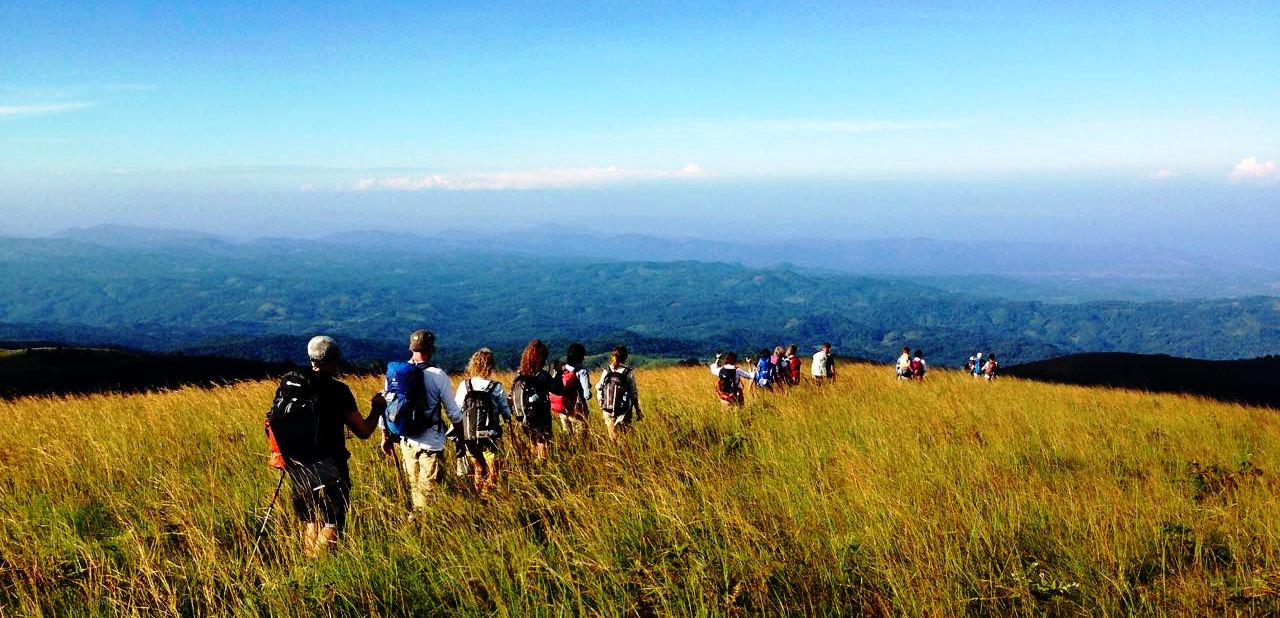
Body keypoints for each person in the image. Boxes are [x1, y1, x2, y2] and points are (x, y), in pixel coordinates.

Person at [277, 336, 385, 555]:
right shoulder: (338, 390)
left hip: (298, 464)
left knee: (311, 519)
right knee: (333, 520)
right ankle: (320, 564)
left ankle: (309, 565)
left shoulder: (290, 386)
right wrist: (377, 409)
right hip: (329, 463)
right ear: (335, 359)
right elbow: (363, 431)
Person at [379, 329, 464, 508]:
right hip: (431, 443)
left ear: (411, 348)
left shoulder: (396, 373)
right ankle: (418, 522)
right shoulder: (438, 375)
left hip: (406, 441)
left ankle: (414, 520)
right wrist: (461, 440)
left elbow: (385, 406)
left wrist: (385, 436)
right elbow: (453, 412)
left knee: (415, 489)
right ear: (431, 349)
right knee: (427, 497)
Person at [454, 347, 511, 494]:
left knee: (478, 470)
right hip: (489, 436)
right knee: (493, 472)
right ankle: (487, 496)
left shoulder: (464, 385)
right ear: (490, 366)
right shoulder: (496, 387)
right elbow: (506, 412)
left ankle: (479, 496)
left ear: (473, 365)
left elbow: (457, 409)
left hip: (469, 435)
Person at [510, 339, 559, 460]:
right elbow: (557, 390)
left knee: (533, 442)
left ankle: (534, 466)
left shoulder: (519, 374)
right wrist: (558, 372)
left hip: (523, 417)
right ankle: (543, 467)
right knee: (544, 444)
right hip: (540, 416)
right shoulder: (542, 375)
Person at [596, 345, 642, 441]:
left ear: (612, 356)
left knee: (612, 437)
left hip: (607, 408)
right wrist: (638, 410)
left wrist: (601, 404)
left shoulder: (606, 370)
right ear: (625, 357)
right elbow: (633, 393)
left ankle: (614, 448)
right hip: (624, 410)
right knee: (624, 436)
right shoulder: (628, 371)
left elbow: (599, 388)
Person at [550, 342, 592, 439]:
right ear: (581, 356)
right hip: (578, 408)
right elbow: (586, 395)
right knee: (581, 438)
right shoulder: (582, 371)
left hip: (563, 407)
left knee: (567, 435)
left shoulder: (560, 369)